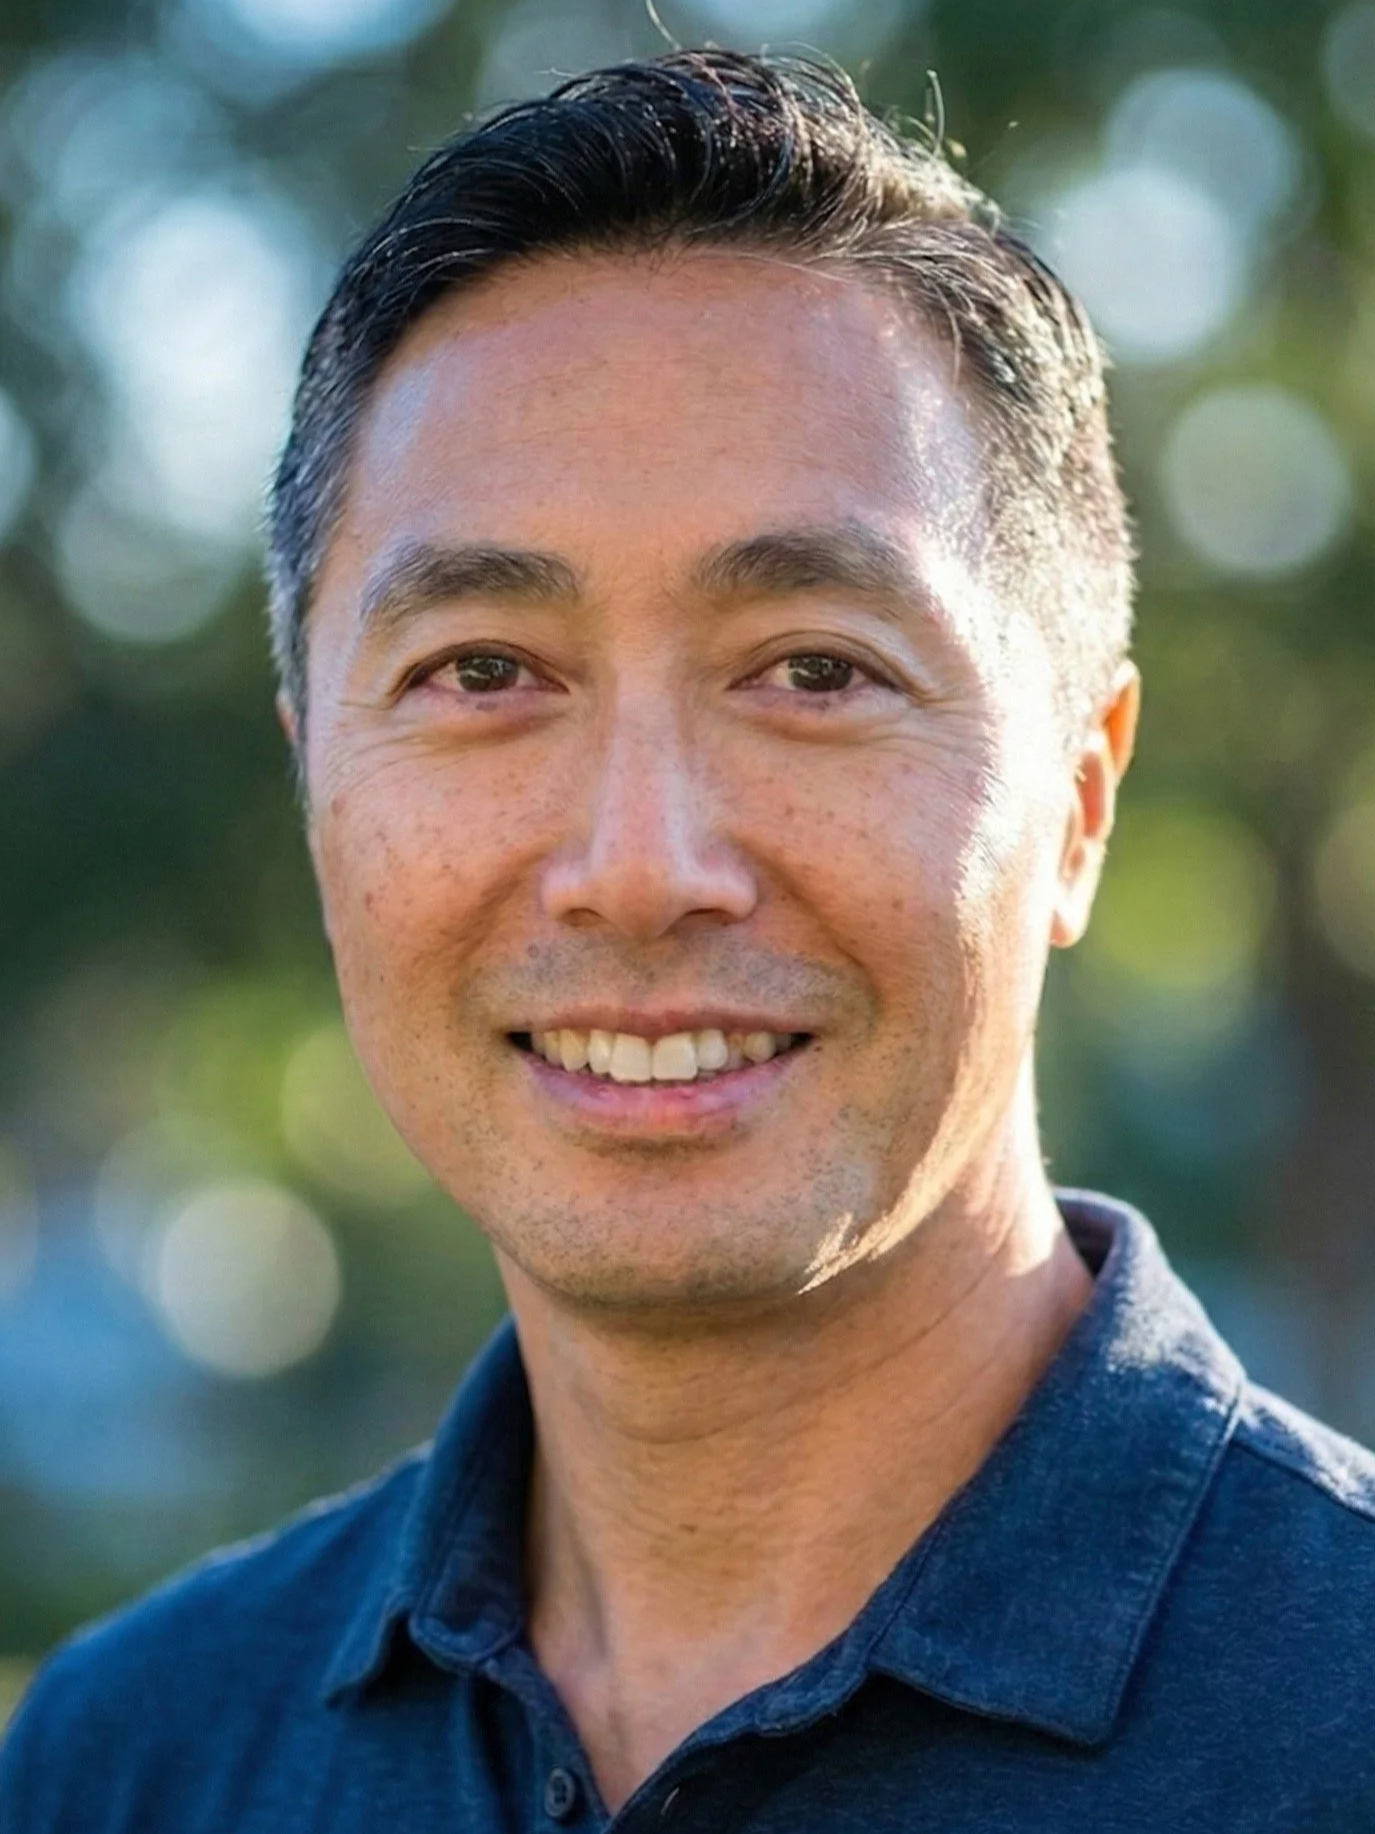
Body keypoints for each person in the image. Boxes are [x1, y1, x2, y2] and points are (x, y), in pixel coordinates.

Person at [3, 46, 1374, 1833]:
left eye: (815, 671)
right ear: (317, 794)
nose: (640, 869)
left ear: (1083, 801)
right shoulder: (131, 1761)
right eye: (482, 673)